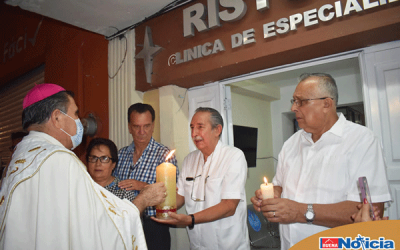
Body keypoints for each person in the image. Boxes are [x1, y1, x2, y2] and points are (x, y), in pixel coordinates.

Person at [0, 83, 150, 249]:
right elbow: (98, 224)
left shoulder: (19, 155)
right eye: (76, 114)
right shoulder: (60, 160)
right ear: (57, 118)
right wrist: (142, 200)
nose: (80, 122)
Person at [251, 73, 391, 250]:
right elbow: (279, 185)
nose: (294, 107)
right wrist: (271, 195)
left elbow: (370, 211)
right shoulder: (291, 144)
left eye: (301, 101)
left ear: (327, 103)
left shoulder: (362, 141)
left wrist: (299, 212)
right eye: (293, 101)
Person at [153, 107, 250, 250]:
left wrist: (191, 219)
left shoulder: (234, 156)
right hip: (197, 245)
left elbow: (229, 206)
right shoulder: (189, 160)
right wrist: (161, 201)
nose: (194, 133)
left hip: (228, 245)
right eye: (192, 127)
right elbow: (180, 197)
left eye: (200, 127)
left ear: (217, 130)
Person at [113, 103, 178, 250]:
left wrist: (141, 185)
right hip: (125, 222)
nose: (141, 131)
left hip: (154, 225)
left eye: (146, 126)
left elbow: (173, 195)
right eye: (136, 126)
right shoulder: (120, 155)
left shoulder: (164, 155)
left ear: (153, 125)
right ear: (129, 127)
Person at [86, 137, 166, 215]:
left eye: (104, 158)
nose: (98, 163)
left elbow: (131, 223)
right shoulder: (81, 187)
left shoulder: (124, 191)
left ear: (113, 164)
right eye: (93, 158)